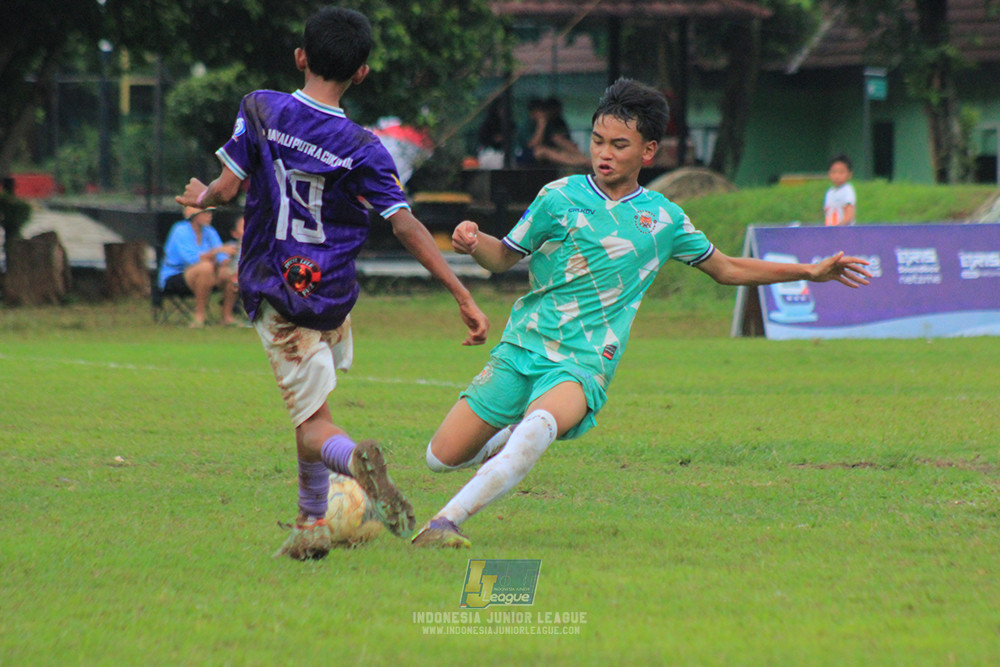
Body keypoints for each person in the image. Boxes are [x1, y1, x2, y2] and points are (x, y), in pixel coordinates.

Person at [411, 78, 872, 548]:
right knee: (439, 458)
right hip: (521, 348)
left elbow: (728, 268)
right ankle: (500, 437)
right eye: (596, 141)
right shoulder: (558, 197)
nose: (603, 153)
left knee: (536, 431)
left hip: (582, 362)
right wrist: (474, 243)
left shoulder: (665, 219)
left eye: (618, 144)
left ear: (648, 152)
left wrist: (808, 271)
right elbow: (503, 257)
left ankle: (447, 521)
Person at [175, 6, 490, 560]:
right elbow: (407, 227)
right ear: (361, 72)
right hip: (332, 295)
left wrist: (200, 194)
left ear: (300, 57)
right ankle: (310, 525)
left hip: (278, 294)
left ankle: (354, 462)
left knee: (316, 424)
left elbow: (225, 190)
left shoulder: (262, 108)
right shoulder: (366, 147)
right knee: (307, 416)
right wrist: (461, 293)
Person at [157, 205, 239, 327]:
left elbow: (221, 258)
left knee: (229, 273)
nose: (210, 215)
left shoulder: (210, 231)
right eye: (206, 212)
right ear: (194, 216)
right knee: (205, 268)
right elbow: (191, 259)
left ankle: (227, 316)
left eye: (211, 212)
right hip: (176, 275)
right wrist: (216, 251)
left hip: (208, 273)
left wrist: (229, 258)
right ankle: (199, 316)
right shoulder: (180, 230)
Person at [519, 97, 588, 168]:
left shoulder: (551, 124)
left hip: (548, 150)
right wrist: (541, 125)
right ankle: (576, 163)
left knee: (560, 146)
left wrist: (574, 150)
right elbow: (532, 145)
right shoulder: (526, 125)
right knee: (543, 151)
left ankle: (584, 159)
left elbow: (556, 138)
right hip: (524, 154)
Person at [824, 154, 856, 226]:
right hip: (831, 232)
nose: (837, 176)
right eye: (833, 172)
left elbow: (849, 214)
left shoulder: (847, 190)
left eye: (841, 172)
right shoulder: (830, 192)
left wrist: (839, 228)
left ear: (849, 174)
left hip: (844, 232)